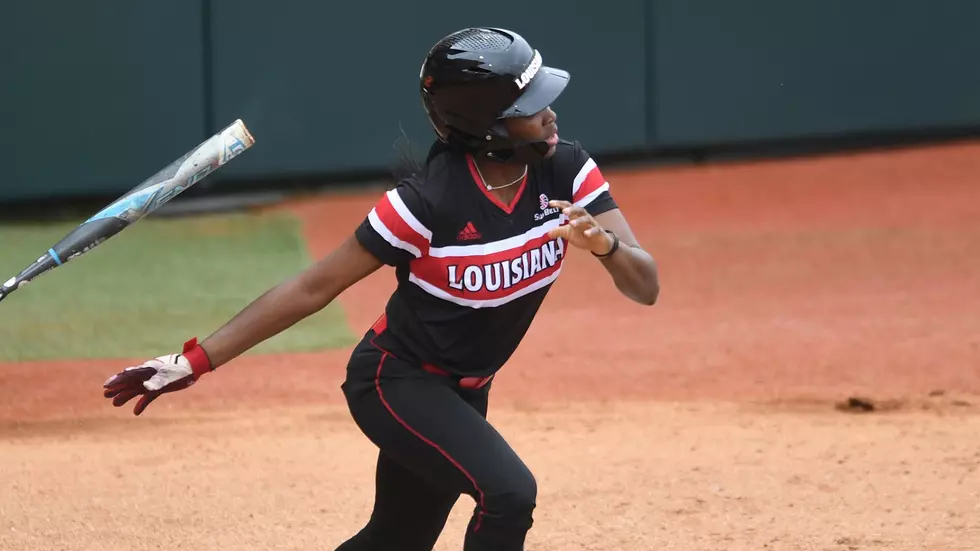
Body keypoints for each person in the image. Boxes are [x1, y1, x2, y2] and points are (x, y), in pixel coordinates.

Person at [102, 27, 659, 551]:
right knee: (510, 494)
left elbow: (646, 286)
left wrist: (606, 247)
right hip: (396, 383)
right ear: (487, 122)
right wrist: (194, 360)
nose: (550, 114)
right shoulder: (426, 202)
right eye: (531, 107)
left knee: (397, 539)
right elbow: (313, 287)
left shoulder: (565, 171)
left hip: (465, 392)